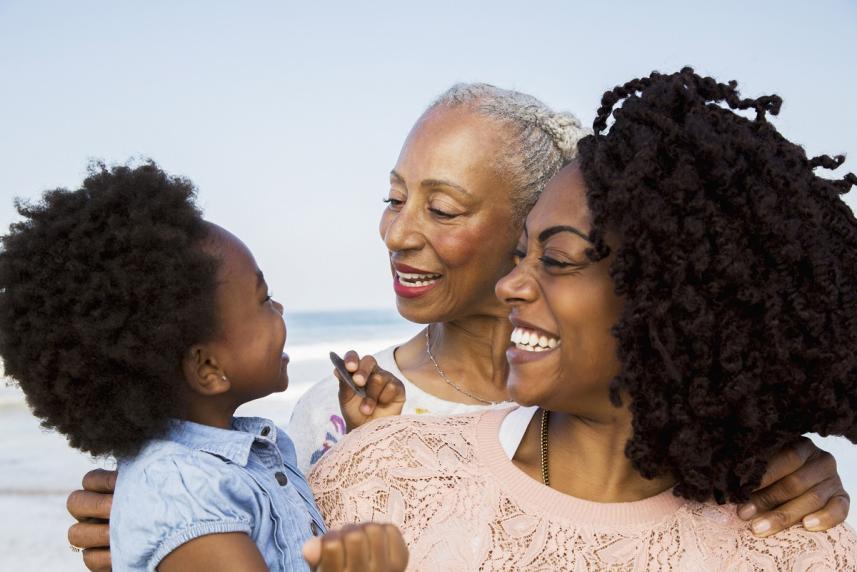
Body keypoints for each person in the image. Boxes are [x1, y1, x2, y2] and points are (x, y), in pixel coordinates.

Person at [66, 84, 852, 571]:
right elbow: (224, 519)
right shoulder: (367, 459)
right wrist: (158, 519)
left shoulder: (785, 522)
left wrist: (787, 457)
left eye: (443, 209)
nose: (397, 232)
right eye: (393, 197)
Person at [309, 69, 857, 570]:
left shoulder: (802, 548)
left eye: (556, 259)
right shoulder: (381, 474)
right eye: (521, 253)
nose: (509, 285)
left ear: (672, 297)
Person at [0, 163, 408, 572]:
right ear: (208, 368)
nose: (280, 308)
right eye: (264, 299)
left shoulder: (254, 453)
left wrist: (364, 437)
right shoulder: (179, 488)